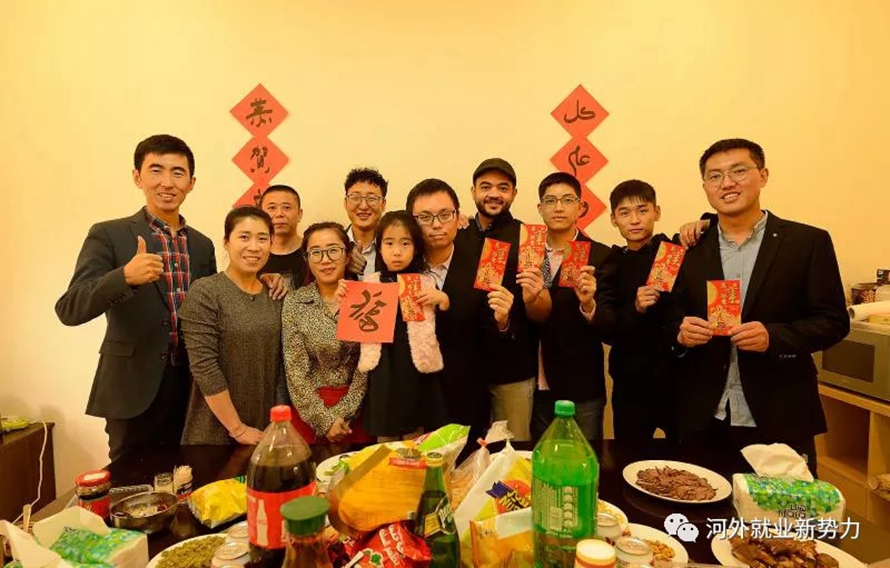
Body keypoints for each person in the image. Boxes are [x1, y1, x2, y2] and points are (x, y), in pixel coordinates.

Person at [668, 138, 849, 463]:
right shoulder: (690, 248)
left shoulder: (807, 242)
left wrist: (774, 336)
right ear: (705, 186)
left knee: (786, 498)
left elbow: (834, 322)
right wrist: (681, 333)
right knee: (705, 496)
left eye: (738, 171)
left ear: (763, 176)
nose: (727, 183)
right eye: (715, 176)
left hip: (779, 414)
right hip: (705, 417)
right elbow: (668, 316)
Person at [55, 134, 217, 460]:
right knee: (129, 481)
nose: (167, 182)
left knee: (191, 474)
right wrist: (124, 277)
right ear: (137, 177)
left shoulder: (202, 245)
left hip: (191, 388)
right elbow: (69, 308)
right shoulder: (109, 234)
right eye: (156, 170)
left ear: (191, 183)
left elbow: (212, 309)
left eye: (178, 172)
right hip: (131, 389)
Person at [406, 178, 514, 445]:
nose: (436, 224)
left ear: (458, 217)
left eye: (445, 214)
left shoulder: (484, 263)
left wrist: (502, 322)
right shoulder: (402, 266)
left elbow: (492, 342)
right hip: (413, 397)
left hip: (467, 396)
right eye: (425, 217)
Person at [522, 172, 618, 441]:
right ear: (540, 208)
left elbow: (610, 322)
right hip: (533, 382)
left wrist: (589, 305)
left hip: (579, 383)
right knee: (537, 457)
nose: (559, 207)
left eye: (567, 200)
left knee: (584, 456)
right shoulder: (528, 252)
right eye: (550, 201)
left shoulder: (600, 255)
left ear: (580, 207)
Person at [179, 206, 285, 445]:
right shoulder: (206, 292)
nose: (254, 247)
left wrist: (278, 421)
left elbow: (282, 363)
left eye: (262, 238)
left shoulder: (275, 294)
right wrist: (237, 428)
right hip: (215, 432)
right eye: (244, 237)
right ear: (226, 242)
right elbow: (204, 367)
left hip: (266, 430)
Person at [456, 158, 537, 441]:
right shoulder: (458, 233)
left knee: (513, 450)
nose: (494, 194)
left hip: (513, 367)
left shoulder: (527, 237)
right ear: (473, 191)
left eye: (503, 188)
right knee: (466, 451)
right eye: (485, 187)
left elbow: (539, 303)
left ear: (514, 193)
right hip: (466, 369)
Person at [356, 211, 451, 442]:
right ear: (379, 248)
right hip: (383, 369)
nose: (397, 251)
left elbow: (447, 325)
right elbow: (354, 322)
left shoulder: (427, 281)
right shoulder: (370, 283)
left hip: (416, 370)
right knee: (384, 436)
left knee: (415, 435)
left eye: (405, 243)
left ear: (416, 248)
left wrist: (443, 300)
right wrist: (345, 295)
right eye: (389, 243)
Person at [282, 221, 371, 460]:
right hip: (309, 416)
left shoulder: (366, 297)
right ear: (307, 258)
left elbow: (367, 365)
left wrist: (343, 414)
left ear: (347, 255)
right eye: (316, 252)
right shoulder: (295, 302)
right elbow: (295, 370)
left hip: (359, 414)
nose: (325, 259)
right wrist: (325, 420)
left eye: (333, 250)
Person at [606, 180, 676, 440]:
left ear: (657, 212)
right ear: (613, 219)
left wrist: (703, 222)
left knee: (683, 453)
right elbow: (608, 329)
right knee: (629, 452)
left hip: (676, 377)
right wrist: (635, 309)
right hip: (629, 380)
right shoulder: (610, 262)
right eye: (624, 213)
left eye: (642, 210)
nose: (634, 220)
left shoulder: (673, 252)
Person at [258, 184, 307, 290]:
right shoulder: (254, 255)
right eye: (272, 208)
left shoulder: (313, 252)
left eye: (286, 207)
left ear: (299, 214)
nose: (279, 214)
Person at [343, 167, 387, 277]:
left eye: (372, 198)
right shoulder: (336, 245)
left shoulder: (394, 245)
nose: (363, 206)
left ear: (383, 204)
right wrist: (343, 264)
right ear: (345, 203)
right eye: (355, 197)